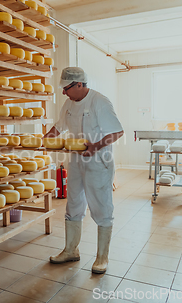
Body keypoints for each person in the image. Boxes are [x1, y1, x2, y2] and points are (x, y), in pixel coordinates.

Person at [46, 67, 124, 274]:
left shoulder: (100, 101)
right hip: (77, 161)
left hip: (99, 162)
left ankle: (102, 258)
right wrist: (45, 139)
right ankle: (71, 250)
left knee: (101, 207)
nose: (64, 92)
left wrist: (96, 146)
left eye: (66, 88)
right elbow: (59, 126)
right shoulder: (69, 103)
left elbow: (118, 131)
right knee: (73, 205)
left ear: (79, 84)